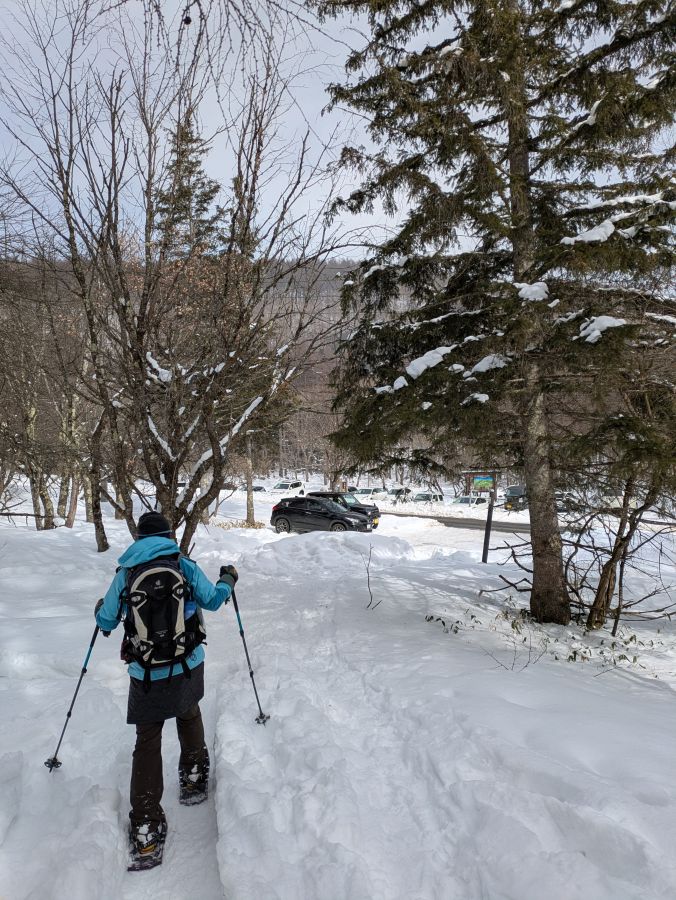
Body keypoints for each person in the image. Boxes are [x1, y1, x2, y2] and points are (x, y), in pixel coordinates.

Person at [95, 510, 237, 861]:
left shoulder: (126, 573)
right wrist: (228, 580)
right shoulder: (183, 565)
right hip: (186, 664)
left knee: (147, 740)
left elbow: (106, 619)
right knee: (188, 715)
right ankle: (192, 778)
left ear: (140, 539)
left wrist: (101, 608)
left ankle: (145, 828)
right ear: (170, 535)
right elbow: (214, 600)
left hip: (145, 674)